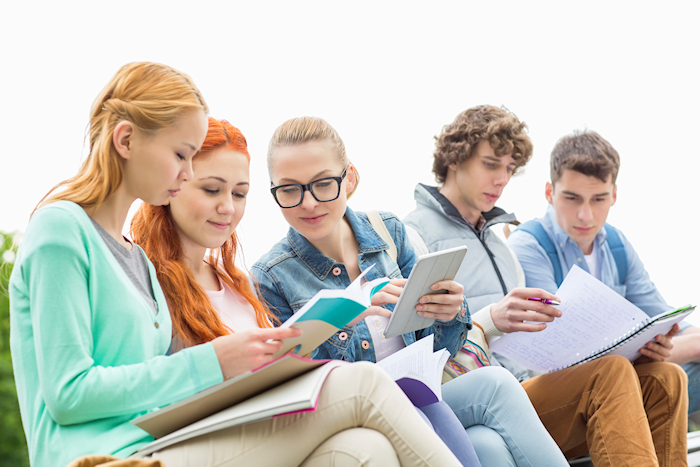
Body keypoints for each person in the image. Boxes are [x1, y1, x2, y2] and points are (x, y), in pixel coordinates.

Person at [9, 63, 465, 467]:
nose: (186, 173)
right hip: (109, 457)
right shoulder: (61, 229)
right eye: (180, 155)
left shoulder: (134, 259)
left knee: (367, 450)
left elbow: (152, 388)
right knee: (361, 383)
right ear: (126, 140)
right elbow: (68, 395)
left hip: (165, 440)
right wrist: (215, 361)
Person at [251, 116, 569, 467]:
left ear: (349, 178)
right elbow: (297, 390)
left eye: (323, 184)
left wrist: (450, 313)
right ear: (273, 191)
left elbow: (444, 350)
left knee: (496, 389)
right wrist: (342, 313)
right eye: (290, 190)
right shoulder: (272, 276)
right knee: (467, 438)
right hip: (358, 418)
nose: (308, 203)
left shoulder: (387, 232)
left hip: (422, 393)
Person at [403, 105, 689, 467]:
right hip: (478, 394)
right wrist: (489, 318)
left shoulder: (500, 246)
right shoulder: (416, 236)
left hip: (528, 386)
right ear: (454, 160)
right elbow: (415, 344)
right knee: (610, 372)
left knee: (665, 378)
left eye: (509, 169)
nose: (502, 180)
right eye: (491, 164)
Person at [507, 129, 700, 415]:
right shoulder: (527, 246)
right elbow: (568, 357)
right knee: (661, 376)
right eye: (572, 198)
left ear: (614, 195)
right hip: (563, 396)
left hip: (621, 379)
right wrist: (674, 349)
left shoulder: (617, 244)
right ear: (549, 193)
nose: (586, 215)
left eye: (598, 199)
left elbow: (664, 316)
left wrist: (687, 342)